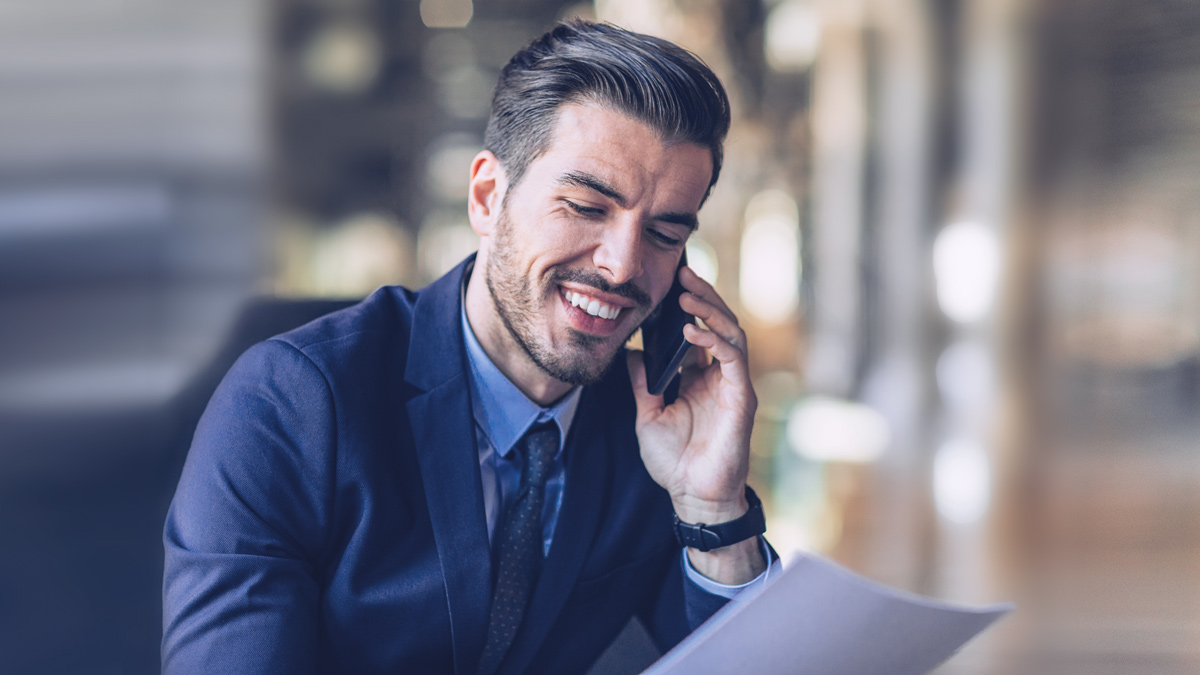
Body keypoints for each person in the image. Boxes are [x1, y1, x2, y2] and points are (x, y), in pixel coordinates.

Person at [163, 19, 777, 675]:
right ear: (487, 197)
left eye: (662, 232)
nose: (624, 266)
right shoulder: (292, 403)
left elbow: (755, 662)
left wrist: (712, 506)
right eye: (585, 207)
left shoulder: (649, 431)